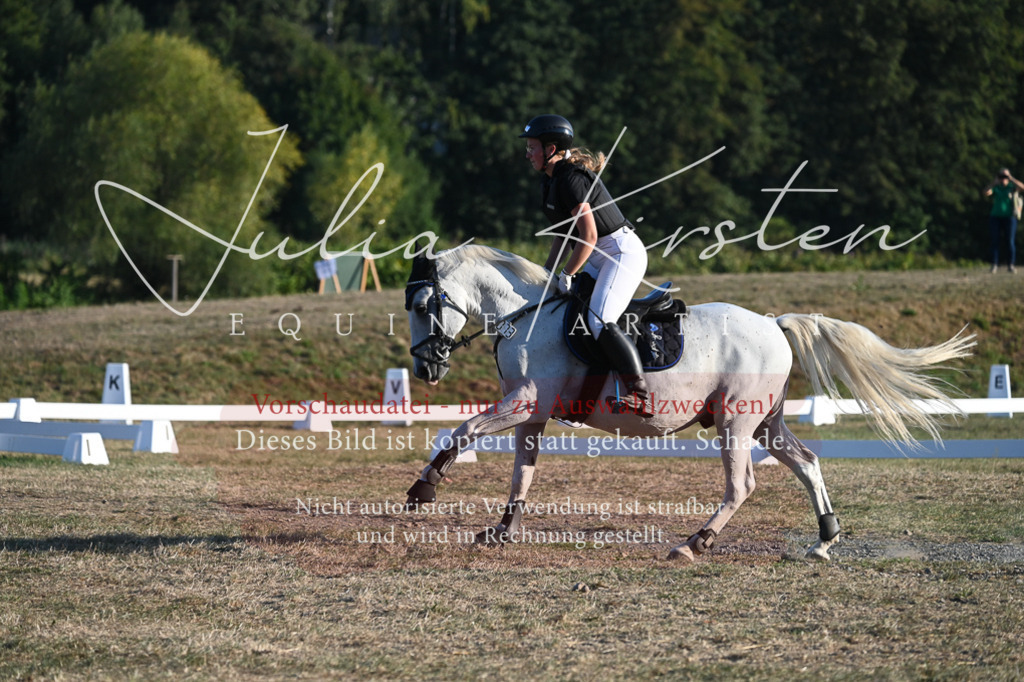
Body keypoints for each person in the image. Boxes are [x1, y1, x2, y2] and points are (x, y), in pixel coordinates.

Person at [519, 114, 653, 416]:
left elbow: (589, 235)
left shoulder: (572, 179)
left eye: (532, 147)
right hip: (593, 252)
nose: (527, 154)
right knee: (564, 309)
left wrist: (568, 273)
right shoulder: (550, 182)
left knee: (598, 319)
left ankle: (640, 393)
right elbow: (562, 236)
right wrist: (548, 274)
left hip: (618, 252)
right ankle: (583, 400)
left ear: (551, 149)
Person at [982, 168, 1023, 273]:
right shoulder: (996, 187)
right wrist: (994, 182)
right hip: (995, 217)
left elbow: (1022, 187)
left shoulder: (1012, 187)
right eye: (1001, 176)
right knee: (995, 241)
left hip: (1010, 217)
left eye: (1005, 177)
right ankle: (994, 264)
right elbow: (986, 192)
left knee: (1010, 241)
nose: (1003, 179)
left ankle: (1011, 265)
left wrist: (1011, 178)